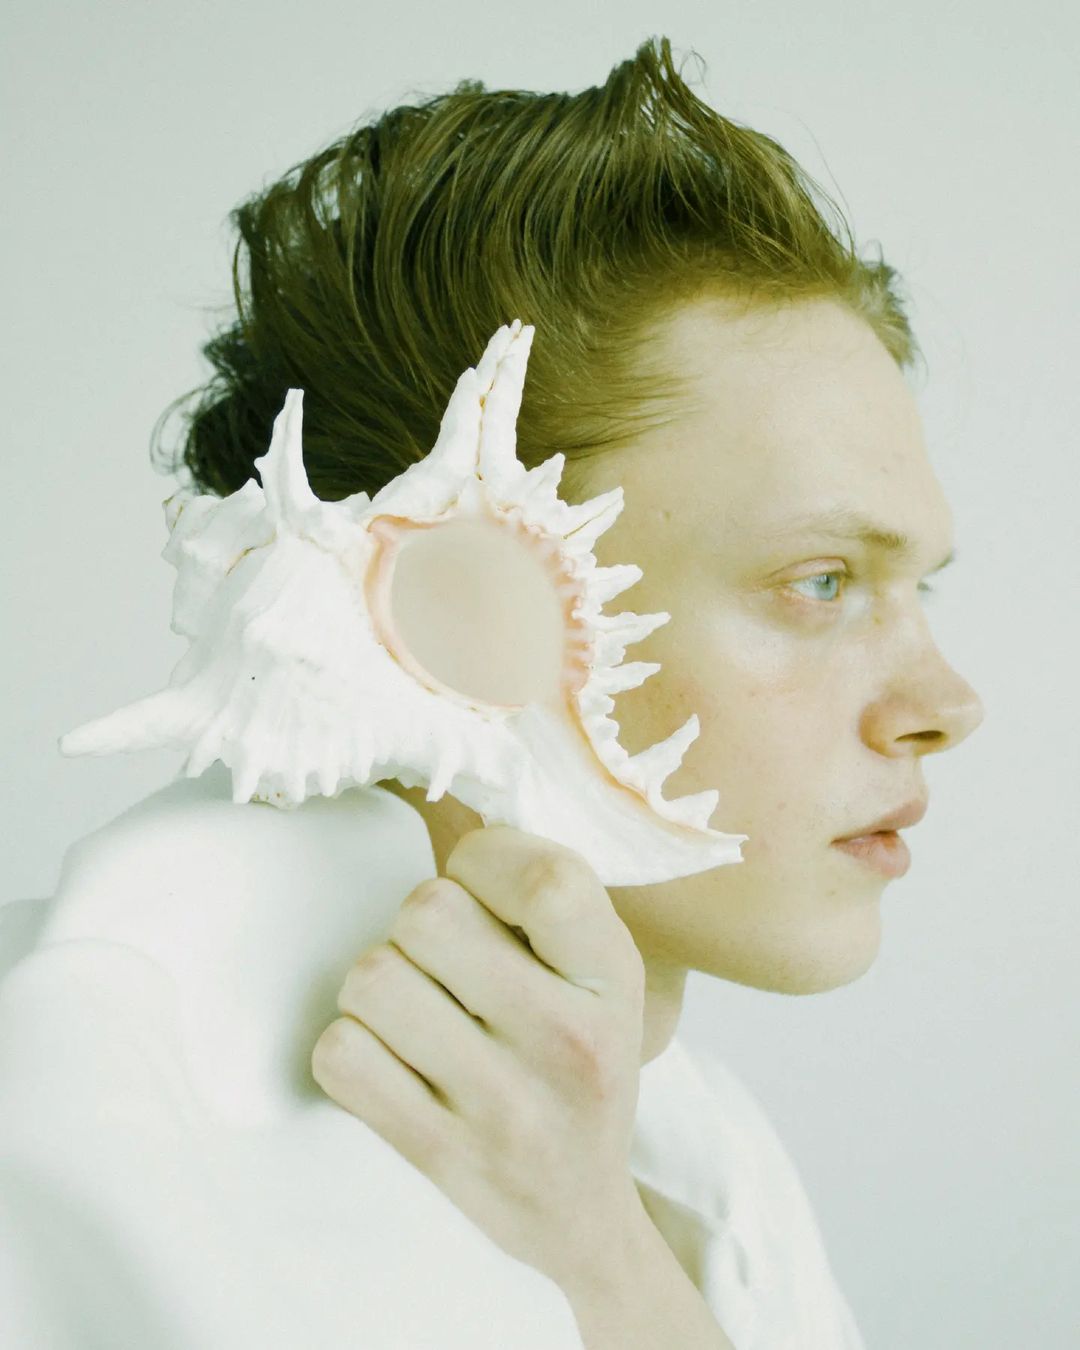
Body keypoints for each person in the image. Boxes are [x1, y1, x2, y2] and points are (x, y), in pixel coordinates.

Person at [0, 33, 984, 1349]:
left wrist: (610, 1264)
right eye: (821, 581)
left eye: (920, 587)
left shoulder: (702, 1155)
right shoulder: (67, 1150)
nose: (946, 702)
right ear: (461, 605)